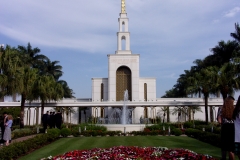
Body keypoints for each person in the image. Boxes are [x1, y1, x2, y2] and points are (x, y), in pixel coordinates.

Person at [218, 96, 235, 160]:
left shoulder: (221, 109)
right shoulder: (234, 109)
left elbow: (219, 120)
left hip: (225, 127)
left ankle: (224, 158)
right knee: (231, 147)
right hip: (232, 128)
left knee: (224, 146)